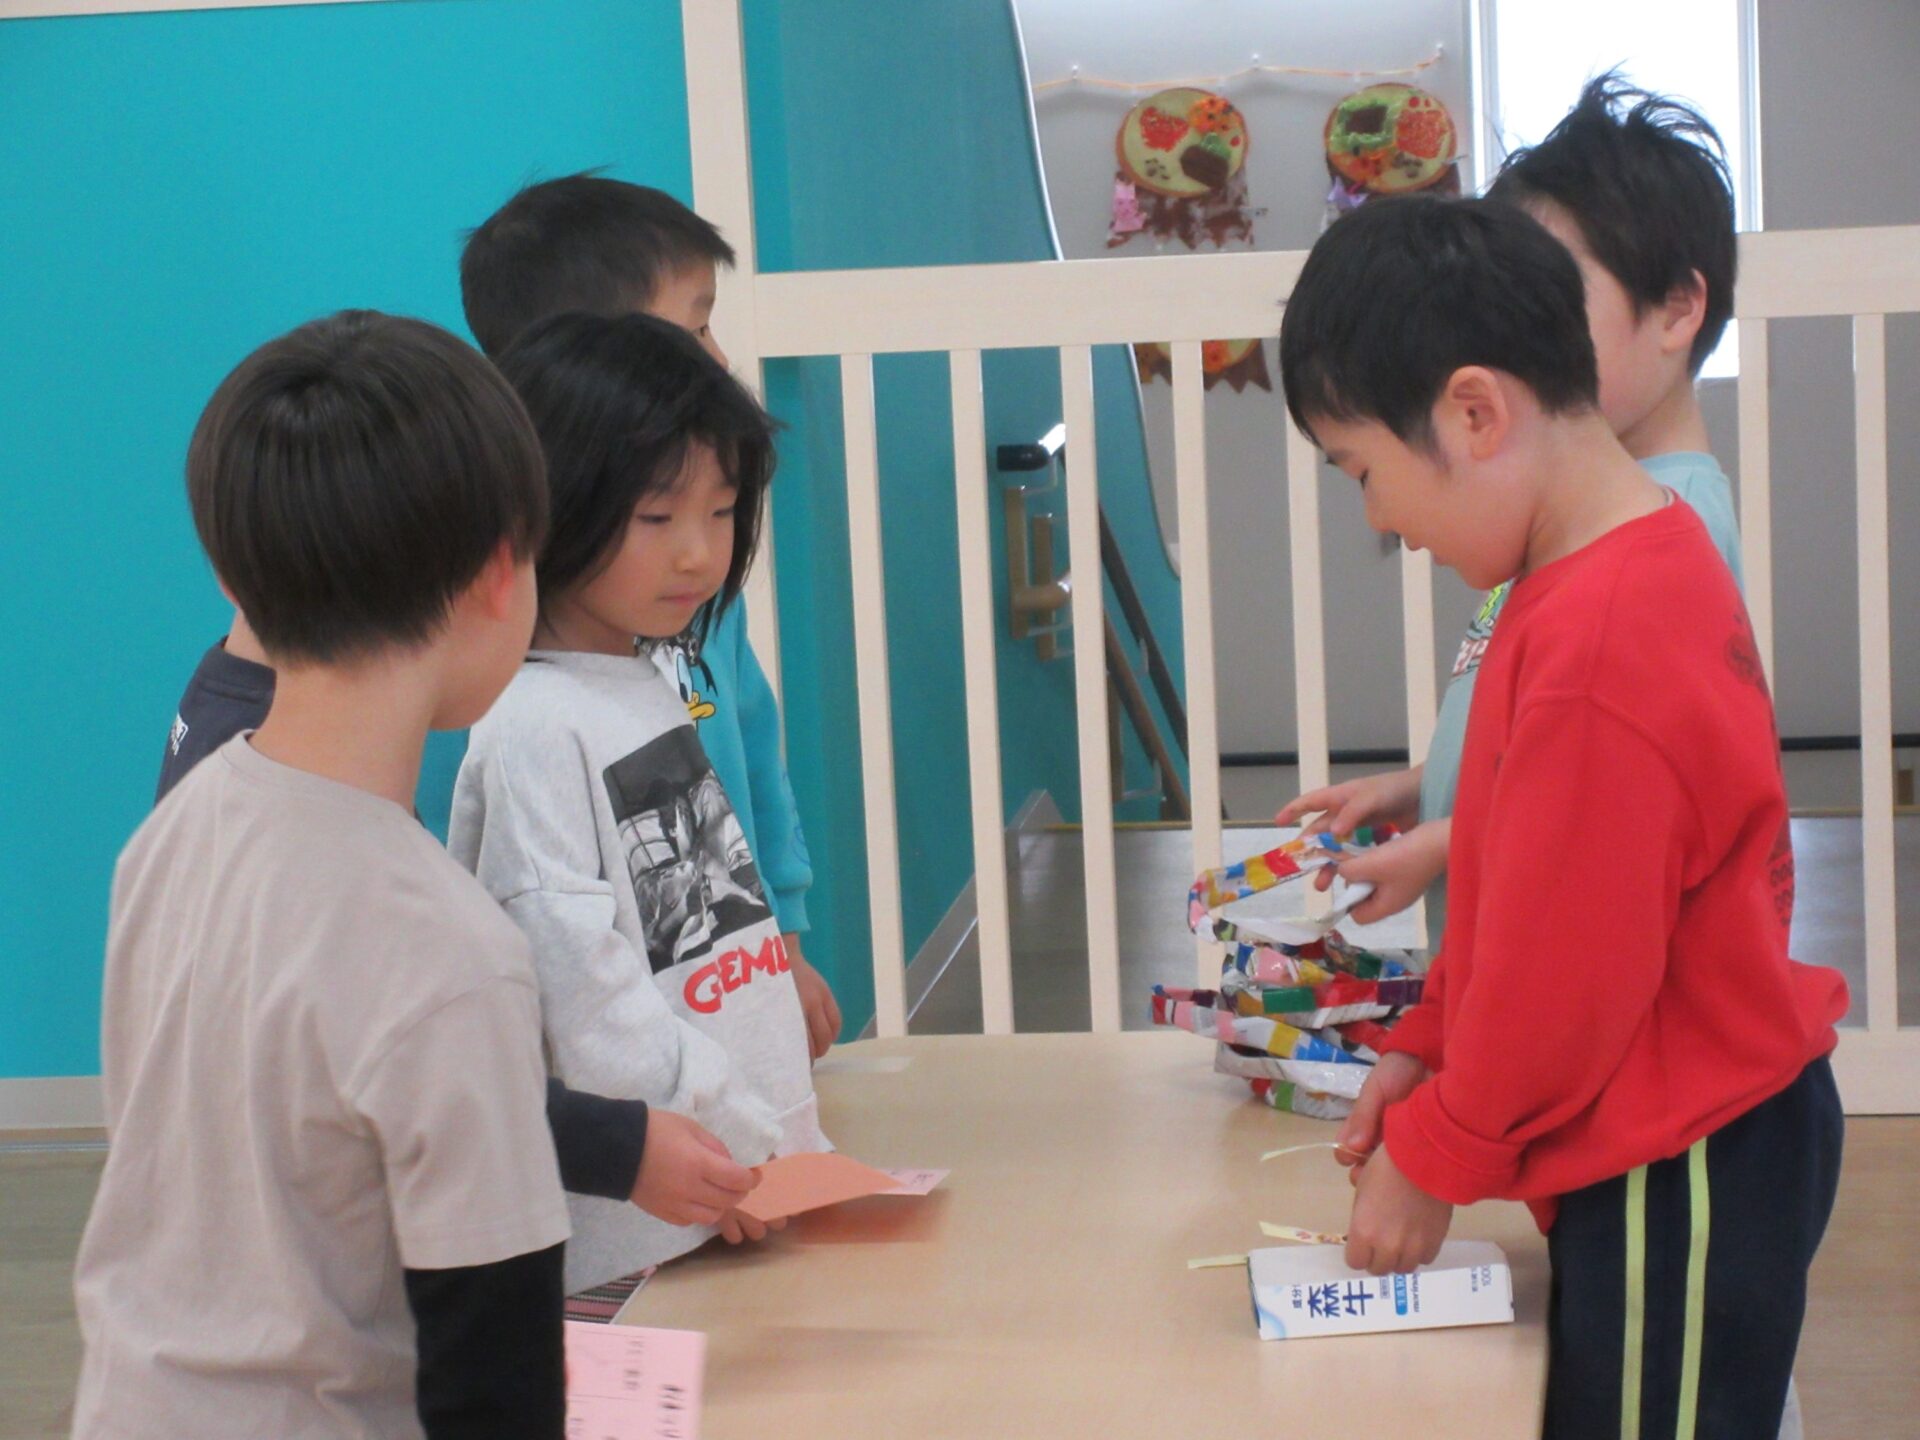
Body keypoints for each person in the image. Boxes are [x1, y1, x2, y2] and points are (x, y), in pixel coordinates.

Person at [1278, 195, 1847, 1439]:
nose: (1379, 521)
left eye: (1363, 472)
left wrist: (1436, 1153)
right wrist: (1429, 1041)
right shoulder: (1587, 576)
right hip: (1670, 1137)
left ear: (1476, 414)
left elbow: (1567, 979)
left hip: (1685, 1159)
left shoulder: (1598, 635)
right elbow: (1514, 875)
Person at [78, 312, 587, 1437]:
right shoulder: (449, 953)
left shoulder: (174, 830)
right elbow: (493, 1384)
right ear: (499, 576)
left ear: (232, 574)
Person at [1279, 78, 1746, 947]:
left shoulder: (1664, 532)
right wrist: (1426, 787)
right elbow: (1547, 735)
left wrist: (1446, 844)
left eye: (1553, 291)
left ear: (1677, 308)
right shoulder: (1570, 514)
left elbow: (1626, 798)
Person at [453, 311, 826, 1291]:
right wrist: (728, 1140)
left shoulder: (645, 678)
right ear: (553, 508)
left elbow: (706, 928)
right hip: (643, 1231)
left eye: (723, 511)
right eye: (658, 520)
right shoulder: (534, 722)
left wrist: (776, 1134)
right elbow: (586, 994)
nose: (699, 554)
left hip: (727, 1188)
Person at [461, 172, 841, 1059]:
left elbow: (754, 752)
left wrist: (781, 934)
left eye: (721, 512)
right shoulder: (511, 678)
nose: (715, 357)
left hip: (726, 985)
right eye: (693, 327)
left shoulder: (692, 592)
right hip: (617, 1042)